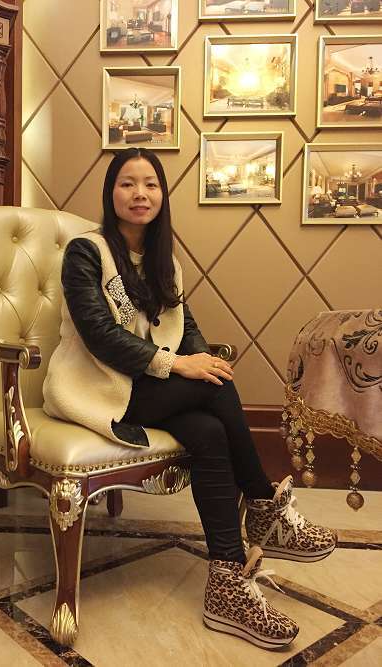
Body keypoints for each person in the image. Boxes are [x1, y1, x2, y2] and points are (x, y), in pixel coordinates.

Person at [43, 147, 336, 650]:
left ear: (162, 195)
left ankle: (226, 579)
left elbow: (186, 326)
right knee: (210, 389)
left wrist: (202, 359)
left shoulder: (165, 263)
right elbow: (99, 335)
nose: (140, 194)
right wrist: (180, 366)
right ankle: (263, 503)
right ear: (111, 193)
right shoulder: (85, 252)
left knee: (209, 428)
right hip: (96, 388)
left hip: (144, 388)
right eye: (127, 183)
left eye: (150, 184)